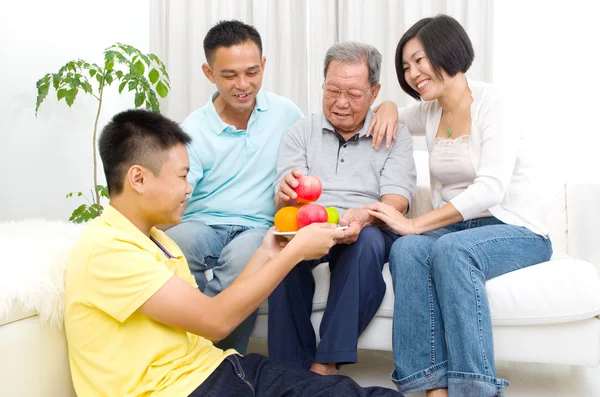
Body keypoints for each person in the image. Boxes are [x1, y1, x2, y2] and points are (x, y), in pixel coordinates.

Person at [64, 108, 405, 397]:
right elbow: (216, 322)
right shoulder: (107, 251)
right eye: (183, 177)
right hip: (185, 389)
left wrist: (266, 254)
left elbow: (206, 315)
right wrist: (295, 253)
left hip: (217, 371)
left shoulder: (156, 241)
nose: (188, 189)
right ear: (137, 178)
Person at [165, 20, 396, 354]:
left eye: (251, 72)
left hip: (257, 228)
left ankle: (218, 360)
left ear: (263, 66)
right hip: (203, 223)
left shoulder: (285, 113)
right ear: (208, 72)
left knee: (246, 260)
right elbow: (178, 190)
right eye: (229, 75)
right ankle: (175, 347)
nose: (242, 85)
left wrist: (387, 107)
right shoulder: (194, 128)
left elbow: (343, 120)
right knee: (174, 245)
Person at [365, 14, 553, 397]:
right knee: (407, 250)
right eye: (406, 66)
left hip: (516, 229)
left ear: (447, 51)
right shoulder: (429, 110)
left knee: (444, 247)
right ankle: (431, 385)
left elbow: (491, 189)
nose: (414, 73)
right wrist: (385, 103)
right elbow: (391, 117)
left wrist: (416, 223)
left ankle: (475, 389)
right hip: (460, 229)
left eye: (420, 60)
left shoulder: (495, 103)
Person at [268, 41, 416, 376]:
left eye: (352, 93)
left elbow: (398, 200)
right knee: (284, 249)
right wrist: (287, 193)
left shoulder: (394, 133)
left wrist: (364, 216)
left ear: (374, 91)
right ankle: (289, 371)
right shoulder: (301, 131)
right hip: (313, 221)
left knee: (365, 244)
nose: (340, 103)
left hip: (369, 225)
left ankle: (326, 363)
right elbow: (282, 197)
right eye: (332, 90)